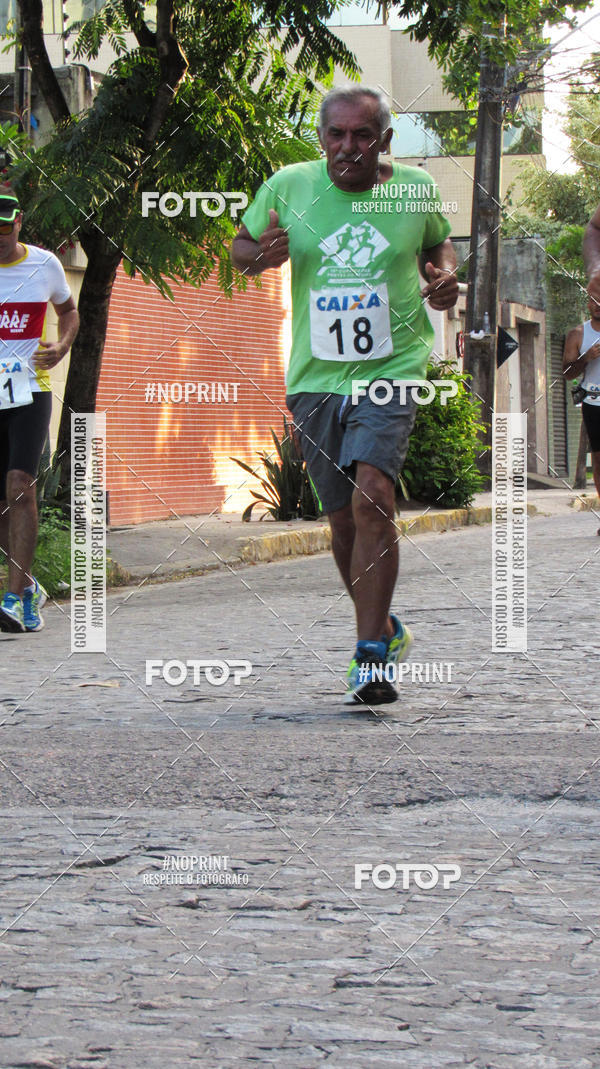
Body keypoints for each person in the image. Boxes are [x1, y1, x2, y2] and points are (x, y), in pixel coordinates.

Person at [231, 87, 458, 705]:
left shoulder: (414, 188)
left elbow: (439, 245)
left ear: (386, 139)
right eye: (336, 134)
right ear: (322, 136)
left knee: (373, 497)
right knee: (339, 520)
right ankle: (383, 628)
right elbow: (240, 247)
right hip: (315, 376)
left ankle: (369, 659)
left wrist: (442, 280)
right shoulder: (289, 186)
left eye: (363, 135)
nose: (348, 147)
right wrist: (263, 256)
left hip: (393, 363)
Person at [0, 190, 79, 632]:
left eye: (4, 228)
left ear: (19, 222)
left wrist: (63, 345)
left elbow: (69, 311)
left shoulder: (45, 264)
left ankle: (13, 601)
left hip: (29, 390)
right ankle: (28, 586)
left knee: (20, 487)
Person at [563, 297, 600, 530]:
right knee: (598, 458)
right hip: (594, 402)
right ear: (588, 304)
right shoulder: (577, 334)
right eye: (596, 301)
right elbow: (567, 372)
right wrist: (586, 358)